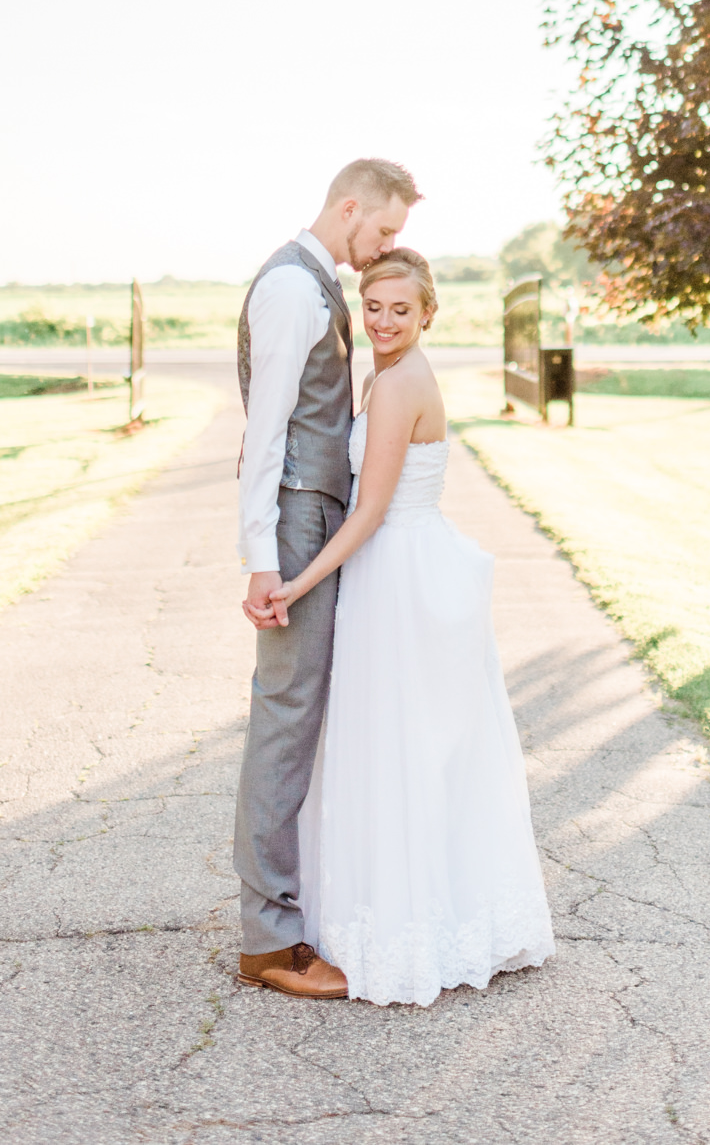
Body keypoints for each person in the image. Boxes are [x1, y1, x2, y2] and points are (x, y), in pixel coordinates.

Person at [280, 246, 555, 1006]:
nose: (384, 321)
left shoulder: (401, 384)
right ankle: (433, 911)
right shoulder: (389, 373)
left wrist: (298, 581)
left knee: (401, 745)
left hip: (399, 572)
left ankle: (410, 927)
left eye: (401, 310)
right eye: (373, 307)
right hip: (404, 563)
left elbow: (370, 511)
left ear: (428, 313)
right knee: (417, 746)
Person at [234, 157, 420, 1000]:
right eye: (382, 231)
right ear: (350, 207)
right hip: (298, 520)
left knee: (304, 716)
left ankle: (291, 914)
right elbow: (265, 438)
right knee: (286, 716)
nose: (384, 248)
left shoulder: (320, 288)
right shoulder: (291, 291)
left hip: (317, 515)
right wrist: (264, 563)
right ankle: (270, 943)